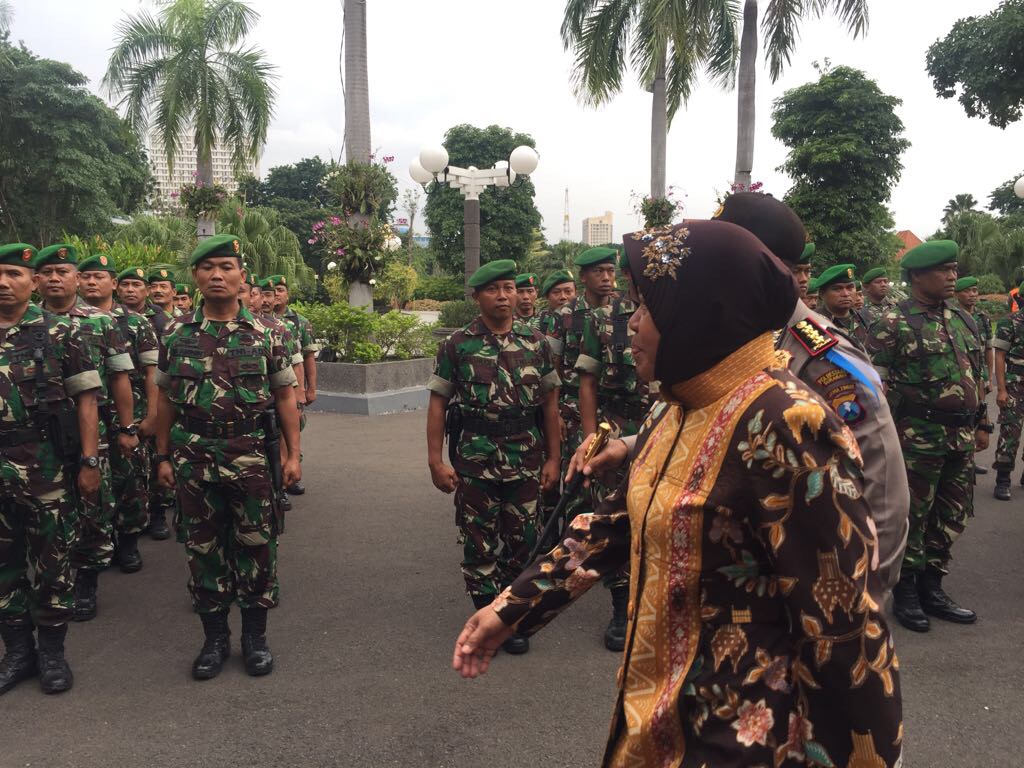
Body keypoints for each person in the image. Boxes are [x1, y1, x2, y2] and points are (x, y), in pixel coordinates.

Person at [453, 221, 903, 768]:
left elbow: (845, 626)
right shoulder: (676, 403)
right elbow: (616, 523)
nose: (632, 326)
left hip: (743, 736)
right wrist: (512, 608)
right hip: (656, 707)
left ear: (698, 314)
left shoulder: (788, 423)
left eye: (646, 308)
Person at [713, 191, 909, 593]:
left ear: (757, 265)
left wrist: (870, 588)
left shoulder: (819, 351)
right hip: (758, 572)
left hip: (818, 581)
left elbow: (881, 476)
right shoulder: (743, 336)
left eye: (721, 259)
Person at [154, 234, 301, 680]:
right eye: (207, 268)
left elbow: (284, 397)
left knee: (258, 545)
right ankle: (214, 638)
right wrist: (161, 457)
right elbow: (164, 402)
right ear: (195, 277)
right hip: (193, 456)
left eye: (226, 267)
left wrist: (293, 454)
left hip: (252, 455)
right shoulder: (176, 334)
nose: (217, 275)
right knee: (203, 549)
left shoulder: (269, 334)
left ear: (241, 276)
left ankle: (255, 637)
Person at [426, 259, 561, 656]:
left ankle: (511, 618)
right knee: (479, 543)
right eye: (493, 289)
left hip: (526, 457)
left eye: (509, 288)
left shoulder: (537, 342)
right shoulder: (457, 345)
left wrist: (554, 459)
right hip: (475, 460)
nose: (504, 296)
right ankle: (484, 616)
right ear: (477, 296)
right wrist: (436, 461)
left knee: (525, 540)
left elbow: (550, 405)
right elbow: (438, 405)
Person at [867, 240, 988, 633]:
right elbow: (873, 386)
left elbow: (976, 374)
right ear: (917, 276)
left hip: (962, 437)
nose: (953, 277)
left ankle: (933, 587)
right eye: (944, 270)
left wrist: (982, 423)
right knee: (912, 516)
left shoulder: (964, 319)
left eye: (954, 269)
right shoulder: (892, 323)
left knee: (953, 513)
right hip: (915, 437)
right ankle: (905, 592)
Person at [0, 242, 102, 696]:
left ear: (34, 282)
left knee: (53, 560)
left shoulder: (63, 334)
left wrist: (90, 460)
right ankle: (18, 652)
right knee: (3, 565)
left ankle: (52, 652)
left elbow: (86, 401)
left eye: (14, 275)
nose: (4, 283)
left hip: (44, 466)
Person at [34, 244, 140, 619]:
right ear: (36, 282)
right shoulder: (26, 323)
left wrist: (127, 428)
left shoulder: (101, 321)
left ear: (76, 279)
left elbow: (120, 377)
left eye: (61, 271)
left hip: (99, 425)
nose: (54, 278)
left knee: (94, 501)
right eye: (46, 273)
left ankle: (87, 581)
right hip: (40, 431)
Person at [575, 250, 651, 651]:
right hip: (617, 420)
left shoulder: (681, 311)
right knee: (613, 511)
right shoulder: (604, 320)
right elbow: (587, 381)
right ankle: (621, 604)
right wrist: (592, 439)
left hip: (666, 420)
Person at [78, 254, 163, 580]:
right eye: (85, 276)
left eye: (99, 277)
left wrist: (152, 415)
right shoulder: (68, 322)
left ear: (110, 282)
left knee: (129, 480)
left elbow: (153, 371)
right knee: (91, 488)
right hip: (87, 419)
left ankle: (128, 542)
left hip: (128, 416)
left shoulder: (136, 323)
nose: (91, 282)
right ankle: (95, 547)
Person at [117, 266, 176, 536]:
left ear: (146, 290)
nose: (130, 290)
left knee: (156, 457)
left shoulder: (162, 320)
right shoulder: (113, 319)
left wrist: (155, 412)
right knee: (130, 466)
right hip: (122, 404)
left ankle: (158, 513)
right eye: (125, 284)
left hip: (153, 398)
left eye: (136, 285)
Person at [271, 275, 318, 496]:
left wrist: (310, 388)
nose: (277, 295)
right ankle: (278, 479)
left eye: (280, 290)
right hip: (273, 389)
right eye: (273, 291)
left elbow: (308, 357)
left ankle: (291, 472)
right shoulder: (261, 323)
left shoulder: (299, 322)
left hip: (292, 389)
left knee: (292, 429)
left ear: (287, 294)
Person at [955, 276, 994, 476]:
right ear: (957, 294)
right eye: (967, 291)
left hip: (980, 374)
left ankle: (971, 458)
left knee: (980, 415)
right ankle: (963, 459)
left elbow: (988, 348)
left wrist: (989, 375)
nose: (972, 295)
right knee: (964, 416)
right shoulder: (954, 316)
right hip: (962, 374)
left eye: (975, 291)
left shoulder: (982, 317)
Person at [991, 280, 1024, 500]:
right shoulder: (1010, 323)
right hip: (1015, 384)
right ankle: (1003, 479)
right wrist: (1001, 389)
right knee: (1010, 432)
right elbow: (1000, 356)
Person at [816, 264, 871, 349]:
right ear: (822, 294)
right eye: (837, 289)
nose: (846, 294)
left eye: (850, 288)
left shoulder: (866, 317)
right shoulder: (813, 322)